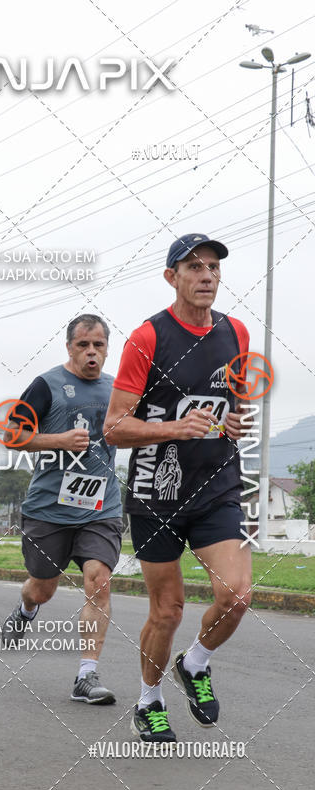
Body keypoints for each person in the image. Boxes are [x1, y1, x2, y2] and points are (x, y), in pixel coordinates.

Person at [104, 233, 252, 741]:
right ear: (172, 277)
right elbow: (114, 428)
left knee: (236, 595)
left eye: (213, 267)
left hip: (216, 486)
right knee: (167, 611)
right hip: (156, 493)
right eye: (194, 267)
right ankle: (149, 699)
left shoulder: (236, 333)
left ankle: (196, 662)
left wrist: (237, 422)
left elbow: (232, 402)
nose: (207, 275)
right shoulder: (146, 339)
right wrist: (173, 427)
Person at [1, 314, 123, 704]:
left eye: (99, 345)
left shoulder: (118, 389)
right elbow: (12, 436)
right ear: (69, 347)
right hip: (48, 510)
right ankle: (24, 609)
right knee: (42, 588)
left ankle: (86, 676)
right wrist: (59, 440)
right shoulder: (47, 385)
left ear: (107, 348)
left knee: (98, 580)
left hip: (101, 507)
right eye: (83, 345)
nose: (91, 352)